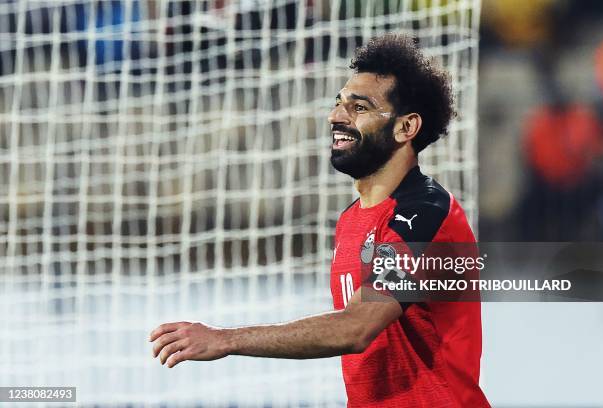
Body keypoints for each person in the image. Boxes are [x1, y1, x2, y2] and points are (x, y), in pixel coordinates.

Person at [149, 34, 490, 407]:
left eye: (359, 108)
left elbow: (356, 327)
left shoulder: (425, 215)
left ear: (406, 128)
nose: (336, 116)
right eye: (338, 103)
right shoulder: (351, 221)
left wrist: (226, 339)